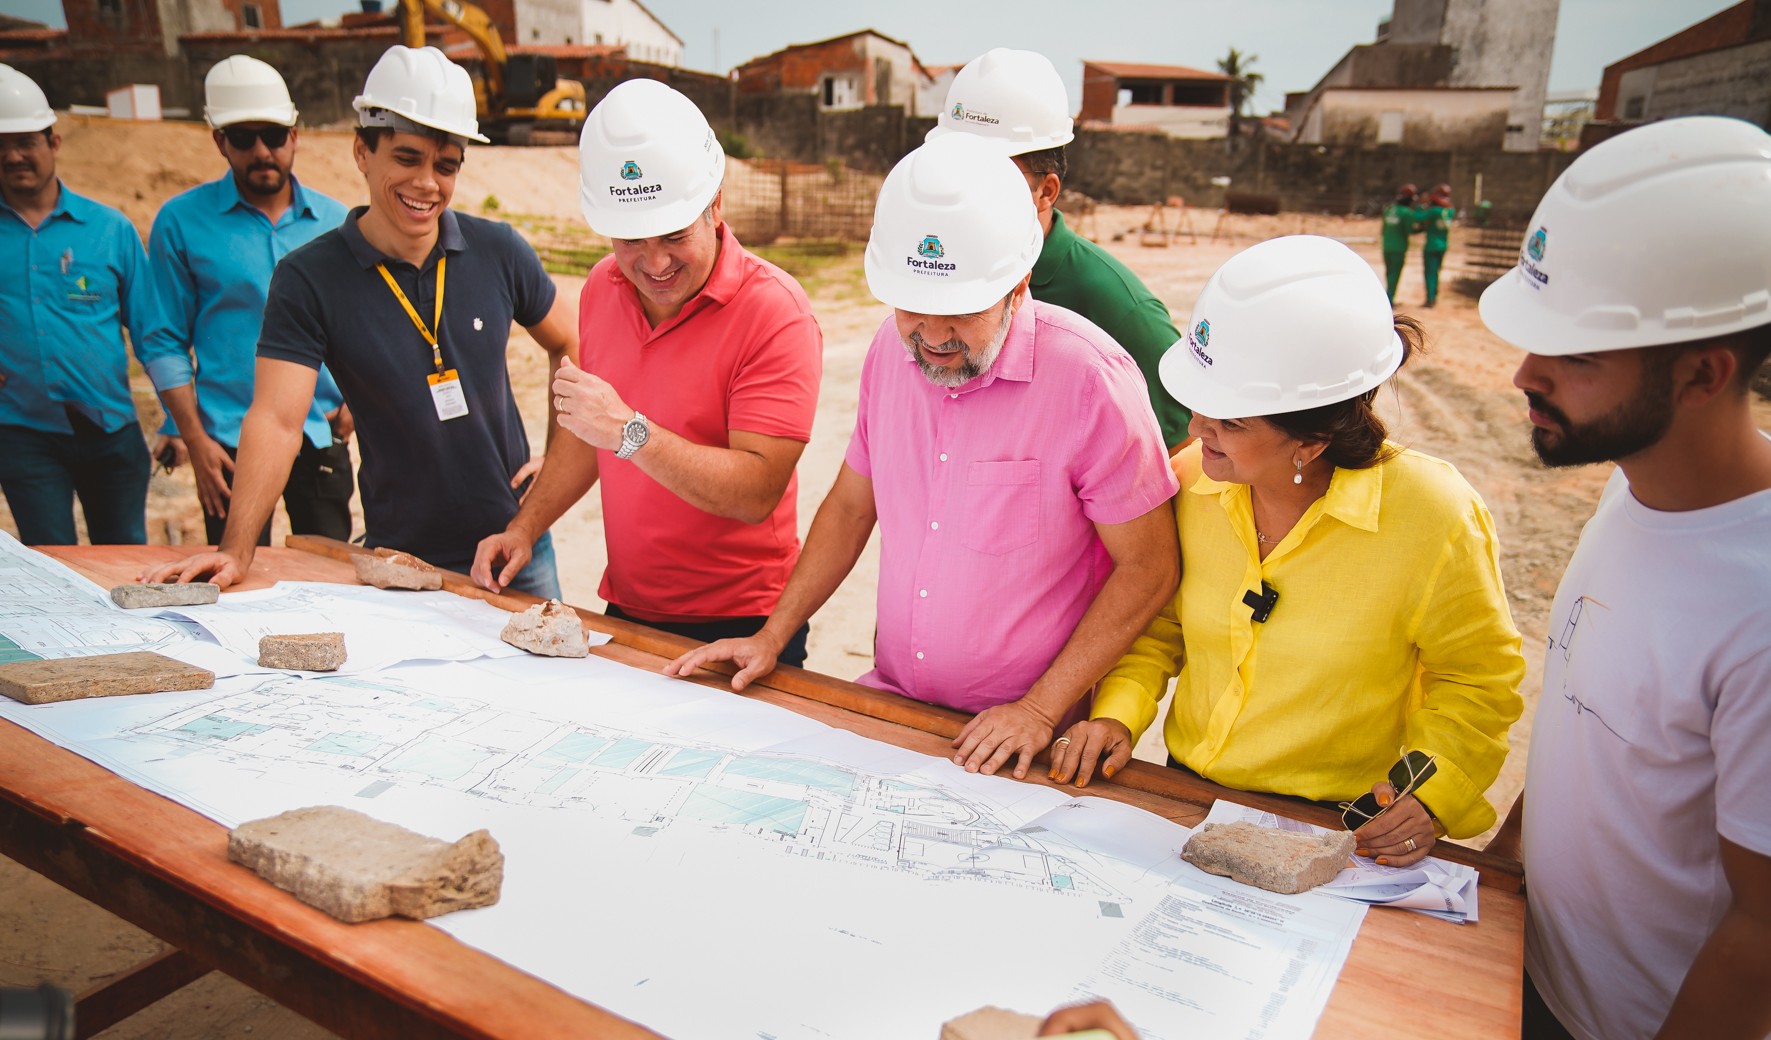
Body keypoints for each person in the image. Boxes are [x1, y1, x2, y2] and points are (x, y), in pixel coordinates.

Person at [664, 133, 1180, 781]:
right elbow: (852, 506)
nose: (933, 337)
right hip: (895, 703)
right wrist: (772, 635)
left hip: (1027, 739)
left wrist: (1040, 711)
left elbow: (1149, 565)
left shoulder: (1089, 376)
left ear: (1018, 284)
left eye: (960, 313)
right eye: (914, 309)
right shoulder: (889, 348)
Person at [1051, 235, 1525, 863]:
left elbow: (1476, 681)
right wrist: (1116, 716)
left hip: (1338, 833)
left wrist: (1428, 795)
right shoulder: (1194, 481)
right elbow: (1160, 629)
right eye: (1200, 408)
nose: (1196, 429)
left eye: (1231, 422)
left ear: (1315, 437)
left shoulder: (1434, 515)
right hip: (1188, 796)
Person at [1479, 115, 1771, 1040]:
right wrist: (1499, 866)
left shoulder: (1756, 604)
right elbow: (1587, 717)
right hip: (1529, 972)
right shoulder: (1631, 486)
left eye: (1575, 355)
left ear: (1700, 374)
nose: (1525, 374)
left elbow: (1763, 933)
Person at [142, 45, 574, 594]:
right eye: (407, 158)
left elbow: (571, 343)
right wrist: (236, 549)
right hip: (401, 560)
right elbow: (277, 419)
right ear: (362, 152)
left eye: (446, 166)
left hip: (517, 548)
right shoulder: (310, 277)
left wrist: (553, 463)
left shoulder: (499, 250)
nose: (427, 184)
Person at [471, 79, 823, 663]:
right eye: (631, 239)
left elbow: (756, 493)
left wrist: (630, 431)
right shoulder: (601, 290)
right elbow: (589, 437)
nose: (654, 263)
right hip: (630, 607)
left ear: (715, 204)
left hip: (745, 619)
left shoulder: (776, 313)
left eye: (675, 235)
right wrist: (525, 528)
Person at [140, 55, 356, 548]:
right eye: (243, 138)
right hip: (228, 447)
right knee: (236, 585)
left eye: (274, 136)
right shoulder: (181, 222)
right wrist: (195, 441)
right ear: (219, 140)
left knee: (329, 583)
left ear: (295, 135)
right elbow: (163, 340)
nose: (262, 151)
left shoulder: (336, 223)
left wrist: (355, 406)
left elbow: (363, 325)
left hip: (319, 436)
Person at [927, 48, 1190, 450]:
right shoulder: (934, 277)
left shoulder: (1117, 306)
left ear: (1046, 191)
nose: (965, 190)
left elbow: (1178, 450)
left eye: (992, 176)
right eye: (956, 168)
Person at [0, 63, 156, 546]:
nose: (12, 156)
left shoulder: (109, 229)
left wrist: (175, 420)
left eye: (25, 141)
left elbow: (153, 333)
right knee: (52, 569)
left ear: (54, 142)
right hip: (23, 434)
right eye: (0, 145)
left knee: (127, 562)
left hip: (112, 432)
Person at [1417, 182, 1454, 308]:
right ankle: (1435, 296)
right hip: (1443, 245)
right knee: (1437, 272)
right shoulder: (1449, 211)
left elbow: (1418, 217)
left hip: (1431, 246)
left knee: (1430, 273)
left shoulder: (1434, 211)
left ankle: (1430, 299)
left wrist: (1421, 205)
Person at [1379, 182, 1416, 305]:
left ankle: (1387, 296)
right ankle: (1389, 299)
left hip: (1386, 246)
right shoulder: (1406, 213)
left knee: (1389, 272)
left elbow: (1383, 230)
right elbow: (1410, 230)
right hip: (1399, 248)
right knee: (1395, 274)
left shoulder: (1389, 209)